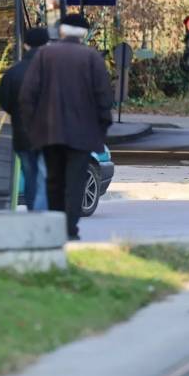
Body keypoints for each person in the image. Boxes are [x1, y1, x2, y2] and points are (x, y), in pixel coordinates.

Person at [19, 12, 112, 240]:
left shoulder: (44, 56)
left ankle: (56, 223)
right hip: (82, 136)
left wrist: (33, 127)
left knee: (54, 180)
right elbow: (104, 99)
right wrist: (101, 130)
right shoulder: (92, 58)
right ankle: (70, 228)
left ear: (61, 31)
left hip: (49, 133)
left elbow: (27, 96)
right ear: (84, 34)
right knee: (75, 182)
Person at [0, 26, 50, 211]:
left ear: (25, 45)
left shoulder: (13, 72)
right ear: (46, 45)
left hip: (22, 135)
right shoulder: (52, 71)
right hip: (48, 134)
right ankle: (40, 216)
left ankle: (32, 212)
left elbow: (4, 100)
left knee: (29, 175)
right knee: (44, 175)